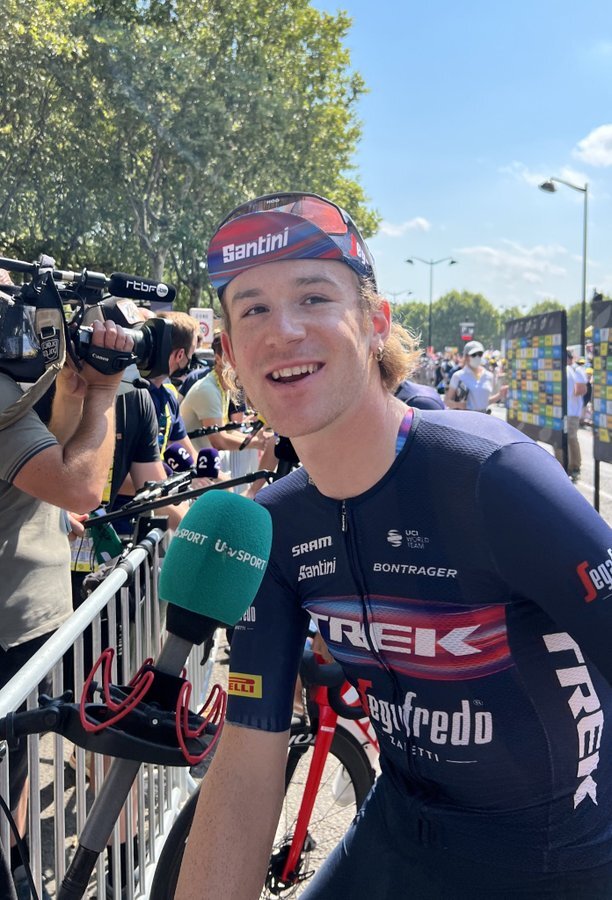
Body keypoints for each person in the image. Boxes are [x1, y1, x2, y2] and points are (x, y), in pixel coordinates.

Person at [175, 192, 612, 900]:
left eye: (314, 297)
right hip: (400, 835)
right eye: (252, 309)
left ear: (375, 322)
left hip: (562, 862)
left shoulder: (495, 477)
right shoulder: (274, 526)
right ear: (227, 354)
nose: (283, 330)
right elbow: (248, 758)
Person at [0, 318, 133, 899]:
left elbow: (30, 475)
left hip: (19, 624)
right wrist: (104, 391)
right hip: (10, 627)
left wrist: (72, 397)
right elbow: (79, 485)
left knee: (15, 776)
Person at [445, 340, 507, 412]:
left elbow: (483, 402)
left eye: (480, 354)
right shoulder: (458, 376)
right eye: (474, 354)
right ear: (466, 356)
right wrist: (459, 405)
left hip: (483, 416)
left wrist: (500, 395)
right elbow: (447, 401)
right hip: (465, 416)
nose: (477, 357)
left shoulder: (488, 376)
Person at [554, 349, 587, 482]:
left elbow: (582, 389)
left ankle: (574, 467)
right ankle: (561, 467)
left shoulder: (576, 370)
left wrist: (570, 395)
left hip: (571, 412)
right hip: (560, 412)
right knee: (558, 439)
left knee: (571, 439)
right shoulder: (560, 369)